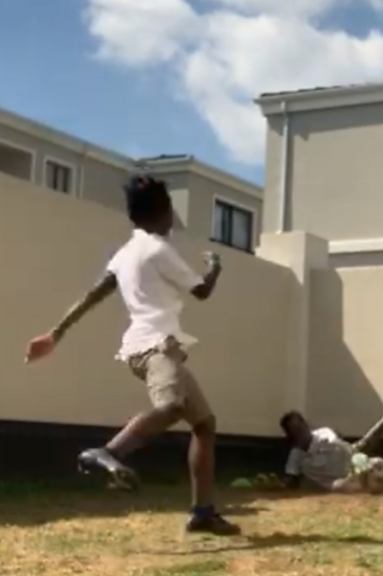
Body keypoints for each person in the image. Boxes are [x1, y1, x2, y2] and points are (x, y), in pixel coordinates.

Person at [24, 175, 241, 536]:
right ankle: (109, 452)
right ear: (163, 212)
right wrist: (215, 266)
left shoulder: (125, 254)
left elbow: (93, 295)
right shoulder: (158, 249)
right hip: (157, 346)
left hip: (146, 348)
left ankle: (203, 512)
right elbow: (202, 290)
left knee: (204, 424)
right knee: (171, 406)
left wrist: (56, 333)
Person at [279, 389, 383, 494]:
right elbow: (291, 480)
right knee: (339, 486)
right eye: (295, 432)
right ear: (291, 436)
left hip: (358, 463)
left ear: (306, 426)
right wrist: (276, 483)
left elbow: (343, 449)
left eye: (300, 428)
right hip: (344, 482)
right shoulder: (296, 457)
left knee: (373, 454)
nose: (300, 434)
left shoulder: (323, 435)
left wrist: (358, 465)